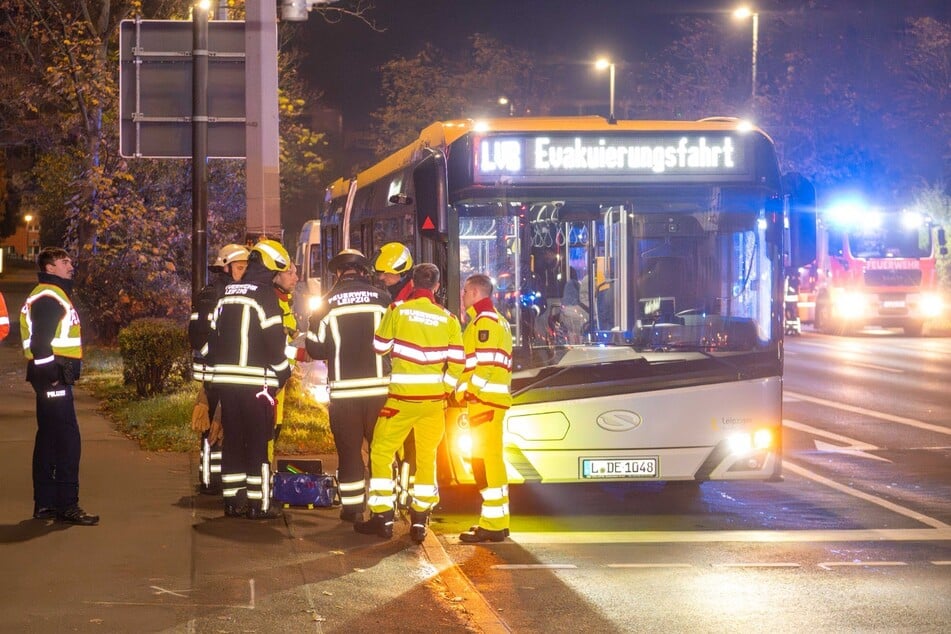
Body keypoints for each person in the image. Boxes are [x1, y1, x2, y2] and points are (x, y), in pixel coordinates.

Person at [355, 263, 464, 543]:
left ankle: (383, 517)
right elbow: (457, 363)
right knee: (427, 459)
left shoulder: (397, 310)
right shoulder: (448, 318)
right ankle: (419, 521)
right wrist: (445, 389)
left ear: (413, 284)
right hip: (432, 404)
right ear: (437, 287)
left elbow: (379, 347)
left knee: (380, 451)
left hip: (401, 400)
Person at [205, 239, 292, 520]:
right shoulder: (265, 296)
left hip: (227, 383)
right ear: (269, 269)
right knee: (257, 442)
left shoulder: (228, 291)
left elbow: (212, 336)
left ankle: (233, 501)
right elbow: (275, 341)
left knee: (233, 441)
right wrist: (283, 371)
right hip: (257, 383)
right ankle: (260, 504)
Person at [306, 249, 391, 522]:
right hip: (380, 390)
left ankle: (353, 508)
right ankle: (382, 509)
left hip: (345, 393)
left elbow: (315, 348)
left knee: (349, 451)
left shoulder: (325, 303)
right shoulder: (383, 299)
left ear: (338, 273)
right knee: (380, 451)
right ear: (363, 271)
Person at [19, 247, 98, 525]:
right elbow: (41, 343)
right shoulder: (50, 297)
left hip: (52, 377)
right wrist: (52, 374)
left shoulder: (51, 294)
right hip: (54, 378)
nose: (71, 266)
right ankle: (67, 505)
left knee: (50, 439)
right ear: (49, 268)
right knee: (66, 441)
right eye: (64, 262)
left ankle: (46, 504)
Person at [457, 274, 513, 543]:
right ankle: (499, 522)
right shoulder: (496, 319)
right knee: (492, 462)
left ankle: (491, 525)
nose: (463, 296)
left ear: (476, 292)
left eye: (465, 292)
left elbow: (485, 365)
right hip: (491, 403)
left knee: (484, 464)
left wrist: (468, 391)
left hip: (485, 404)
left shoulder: (485, 322)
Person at [189, 243, 249, 494]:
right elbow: (201, 335)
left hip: (218, 370)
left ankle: (215, 478)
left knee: (219, 425)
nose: (244, 272)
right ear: (225, 266)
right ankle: (212, 480)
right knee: (213, 426)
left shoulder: (220, 291)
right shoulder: (217, 294)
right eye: (239, 267)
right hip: (216, 372)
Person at [271, 257, 308, 464]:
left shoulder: (283, 302)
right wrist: (300, 353)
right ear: (276, 276)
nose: (296, 277)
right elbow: (275, 346)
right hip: (271, 384)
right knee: (266, 439)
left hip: (279, 384)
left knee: (272, 434)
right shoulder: (273, 303)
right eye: (290, 273)